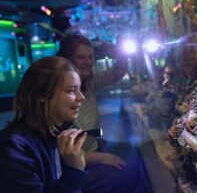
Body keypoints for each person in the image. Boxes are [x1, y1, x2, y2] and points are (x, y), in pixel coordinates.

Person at [57, 34, 153, 192]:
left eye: (90, 57)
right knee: (127, 171)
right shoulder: (62, 96)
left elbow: (116, 72)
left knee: (135, 153)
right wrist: (103, 158)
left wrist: (123, 53)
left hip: (95, 147)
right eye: (81, 57)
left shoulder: (87, 83)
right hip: (77, 164)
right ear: (67, 58)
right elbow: (67, 155)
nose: (88, 62)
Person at [0, 56, 88, 192]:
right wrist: (74, 172)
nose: (81, 97)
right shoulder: (14, 151)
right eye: (71, 90)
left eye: (79, 89)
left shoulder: (54, 133)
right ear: (43, 94)